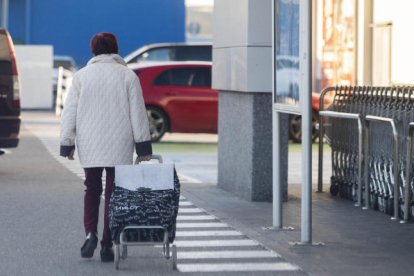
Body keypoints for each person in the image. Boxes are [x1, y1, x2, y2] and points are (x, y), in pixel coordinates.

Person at [60, 32, 152, 262]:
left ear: (93, 50)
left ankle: (90, 233)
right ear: (115, 49)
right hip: (120, 143)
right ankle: (107, 245)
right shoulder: (128, 76)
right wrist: (143, 147)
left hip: (90, 142)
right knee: (113, 195)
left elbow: (69, 112)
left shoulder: (81, 77)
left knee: (91, 189)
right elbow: (138, 114)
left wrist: (66, 143)